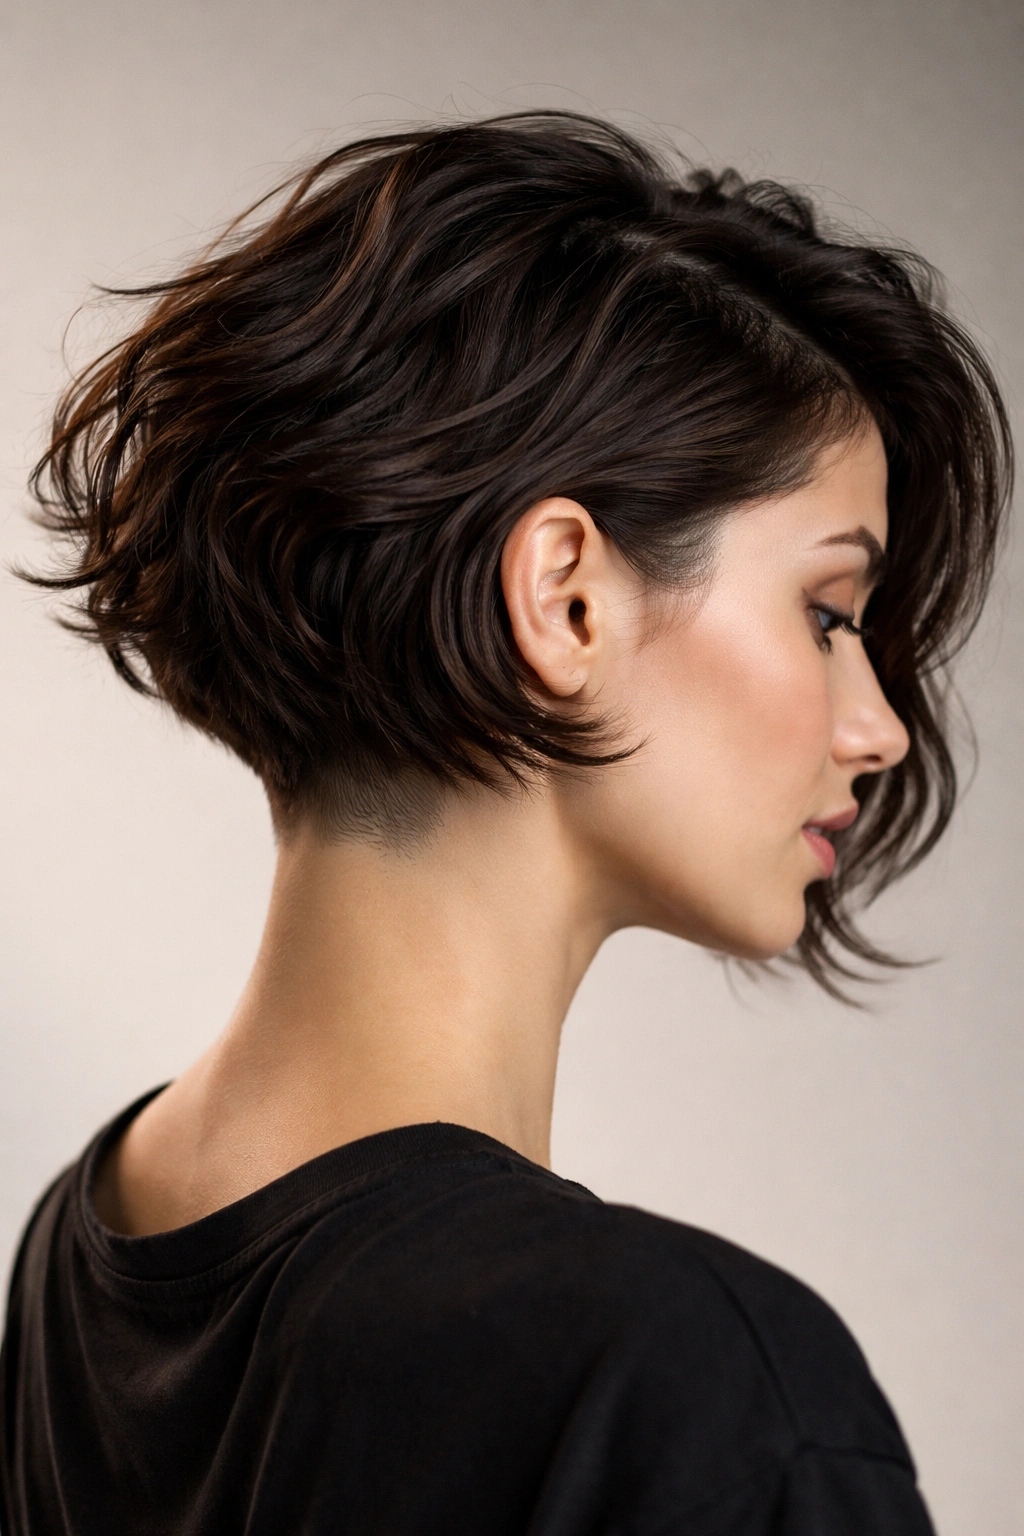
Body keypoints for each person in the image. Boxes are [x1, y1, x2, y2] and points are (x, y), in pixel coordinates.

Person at [0, 112, 1011, 1535]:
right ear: (566, 597)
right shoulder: (691, 1383)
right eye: (829, 613)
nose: (879, 727)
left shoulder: (82, 1248)